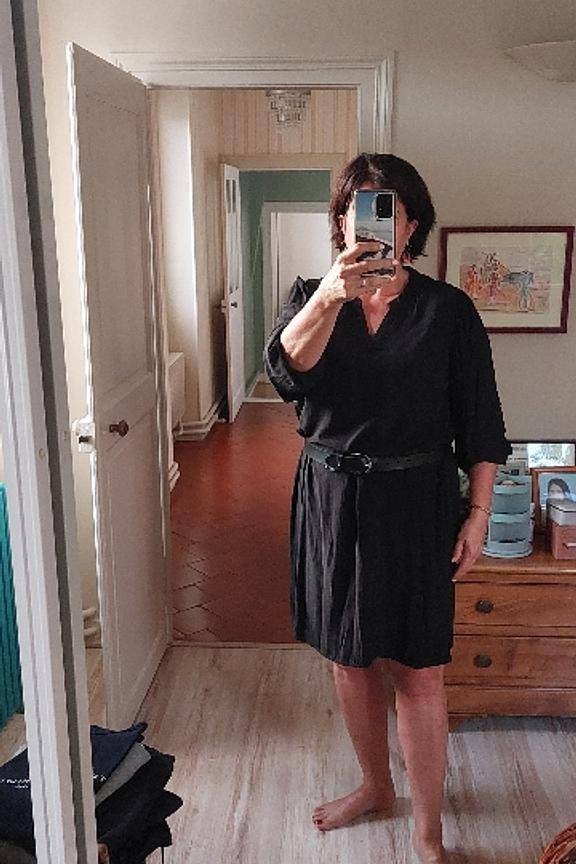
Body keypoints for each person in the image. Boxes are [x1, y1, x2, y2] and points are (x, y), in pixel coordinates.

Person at [264, 153, 511, 864]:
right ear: (341, 222)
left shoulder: (448, 311)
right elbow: (285, 372)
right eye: (358, 209)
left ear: (412, 226)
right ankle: (375, 786)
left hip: (417, 501)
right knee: (349, 659)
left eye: (390, 209)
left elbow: (482, 422)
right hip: (331, 499)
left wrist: (479, 513)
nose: (373, 222)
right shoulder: (310, 297)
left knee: (419, 669)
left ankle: (428, 834)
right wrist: (329, 297)